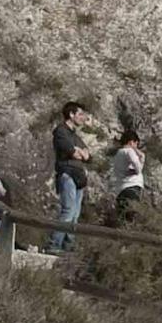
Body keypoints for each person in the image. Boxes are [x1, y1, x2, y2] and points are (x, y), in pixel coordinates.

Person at [48, 101, 92, 253]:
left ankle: (68, 248)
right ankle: (54, 245)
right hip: (67, 174)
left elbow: (88, 156)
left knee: (75, 216)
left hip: (79, 177)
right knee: (68, 211)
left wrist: (82, 152)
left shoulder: (75, 136)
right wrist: (79, 152)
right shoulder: (60, 131)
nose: (83, 118)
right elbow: (72, 152)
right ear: (71, 115)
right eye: (80, 114)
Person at [109, 130, 145, 221]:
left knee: (122, 217)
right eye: (136, 144)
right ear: (132, 142)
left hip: (121, 189)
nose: (136, 147)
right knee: (131, 218)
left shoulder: (118, 154)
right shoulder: (129, 151)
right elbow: (138, 168)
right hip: (132, 188)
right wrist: (141, 159)